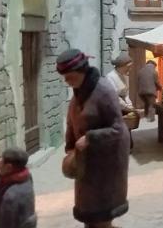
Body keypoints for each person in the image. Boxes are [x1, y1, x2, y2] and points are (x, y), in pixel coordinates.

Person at [56, 49, 130, 228]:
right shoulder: (78, 90)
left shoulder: (103, 90)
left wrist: (90, 138)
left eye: (69, 77)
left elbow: (118, 129)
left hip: (106, 162)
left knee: (101, 213)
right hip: (87, 161)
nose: (66, 81)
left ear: (82, 71)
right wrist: (70, 146)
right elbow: (72, 118)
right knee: (89, 212)